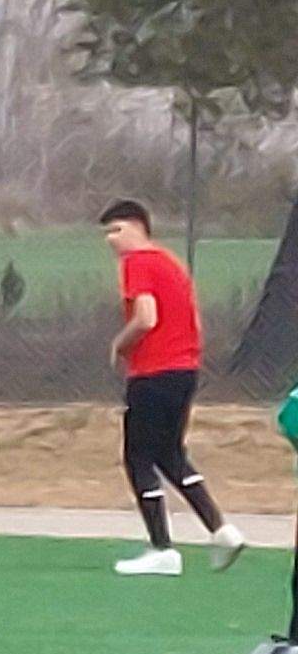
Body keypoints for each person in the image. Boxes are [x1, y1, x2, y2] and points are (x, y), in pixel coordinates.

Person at [102, 199, 241, 576]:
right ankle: (221, 530)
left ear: (137, 227)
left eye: (116, 230)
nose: (111, 240)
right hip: (184, 370)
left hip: (154, 372)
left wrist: (121, 343)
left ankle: (162, 548)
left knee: (137, 457)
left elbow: (146, 317)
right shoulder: (170, 264)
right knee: (169, 454)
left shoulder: (138, 263)